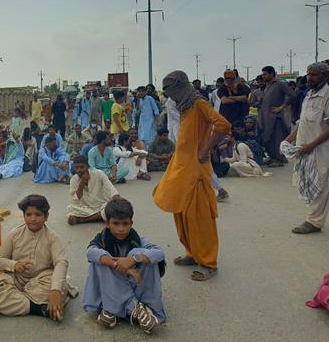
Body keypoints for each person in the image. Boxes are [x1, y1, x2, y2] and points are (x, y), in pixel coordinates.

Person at [153, 71, 230, 281]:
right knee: (181, 213)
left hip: (196, 170)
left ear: (180, 88)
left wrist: (205, 150)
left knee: (199, 217)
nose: (171, 97)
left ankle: (208, 262)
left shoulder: (198, 104)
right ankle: (192, 253)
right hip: (180, 167)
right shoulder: (185, 106)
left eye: (172, 92)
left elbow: (223, 125)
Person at [0, 195, 76, 320]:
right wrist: (14, 265)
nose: (32, 219)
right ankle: (38, 309)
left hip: (41, 279)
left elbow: (61, 262)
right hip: (17, 277)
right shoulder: (14, 234)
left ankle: (5, 305)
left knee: (60, 287)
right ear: (24, 215)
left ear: (46, 216)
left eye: (38, 214)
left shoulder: (52, 238)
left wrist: (54, 290)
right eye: (28, 214)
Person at [83, 198, 166, 333]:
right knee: (101, 258)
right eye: (115, 223)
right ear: (107, 224)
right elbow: (90, 253)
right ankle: (135, 309)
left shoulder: (138, 239)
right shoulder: (102, 239)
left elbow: (159, 253)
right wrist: (118, 264)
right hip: (112, 285)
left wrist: (133, 259)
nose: (121, 229)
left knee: (144, 254)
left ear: (131, 223)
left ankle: (114, 309)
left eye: (125, 223)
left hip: (135, 285)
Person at [283, 62, 329, 234]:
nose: (310, 77)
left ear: (325, 77)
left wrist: (312, 145)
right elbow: (302, 123)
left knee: (320, 184)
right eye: (309, 74)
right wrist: (287, 141)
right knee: (311, 183)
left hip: (321, 149)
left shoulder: (327, 95)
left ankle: (314, 222)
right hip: (306, 149)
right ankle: (315, 218)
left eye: (314, 74)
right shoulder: (308, 95)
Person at [67, 156, 119, 225]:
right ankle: (98, 217)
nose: (79, 170)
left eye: (82, 167)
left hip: (102, 205)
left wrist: (118, 200)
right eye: (77, 167)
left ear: (87, 166)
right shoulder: (74, 179)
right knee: (70, 208)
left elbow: (111, 188)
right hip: (86, 207)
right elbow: (76, 200)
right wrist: (82, 183)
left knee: (112, 209)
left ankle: (82, 220)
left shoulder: (99, 174)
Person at [259, 66, 294, 167]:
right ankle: (272, 157)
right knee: (268, 139)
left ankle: (279, 159)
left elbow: (292, 95)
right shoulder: (267, 86)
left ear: (271, 74)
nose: (263, 76)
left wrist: (282, 107)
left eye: (265, 74)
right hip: (266, 118)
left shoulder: (280, 84)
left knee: (276, 139)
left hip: (275, 117)